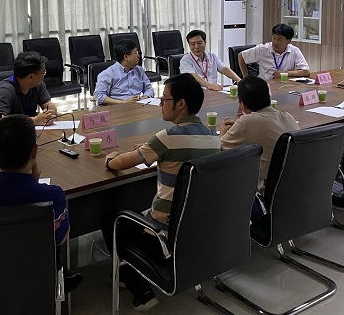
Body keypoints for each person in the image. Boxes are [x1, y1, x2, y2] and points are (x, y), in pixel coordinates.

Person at [102, 73, 220, 311]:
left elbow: (119, 163)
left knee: (111, 219)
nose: (160, 104)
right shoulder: (213, 137)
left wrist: (110, 158)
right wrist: (151, 148)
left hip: (164, 235)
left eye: (164, 99)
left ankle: (141, 290)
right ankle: (130, 270)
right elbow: (177, 150)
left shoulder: (167, 138)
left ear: (180, 104)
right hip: (198, 229)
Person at [0, 115, 82, 292]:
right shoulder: (53, 196)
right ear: (34, 151)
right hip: (37, 283)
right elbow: (60, 239)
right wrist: (35, 184)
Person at [220, 76, 299, 214]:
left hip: (262, 197)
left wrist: (223, 131)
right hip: (292, 192)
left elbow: (220, 148)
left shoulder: (246, 122)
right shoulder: (287, 116)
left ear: (242, 104)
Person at [0, 51, 57, 126]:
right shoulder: (5, 91)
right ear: (31, 76)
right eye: (43, 72)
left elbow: (48, 104)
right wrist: (35, 120)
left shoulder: (38, 85)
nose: (44, 76)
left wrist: (50, 114)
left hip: (29, 130)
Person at [238, 23, 310, 81]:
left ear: (288, 41)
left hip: (285, 85)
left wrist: (285, 73)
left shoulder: (294, 51)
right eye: (274, 38)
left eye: (280, 39)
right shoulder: (263, 49)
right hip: (265, 86)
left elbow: (306, 72)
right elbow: (241, 56)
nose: (275, 42)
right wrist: (246, 78)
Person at [93, 40, 154, 106]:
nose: (138, 56)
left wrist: (145, 97)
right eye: (135, 53)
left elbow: (148, 88)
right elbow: (99, 96)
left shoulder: (139, 70)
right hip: (117, 108)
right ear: (126, 57)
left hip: (138, 106)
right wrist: (123, 102)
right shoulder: (107, 74)